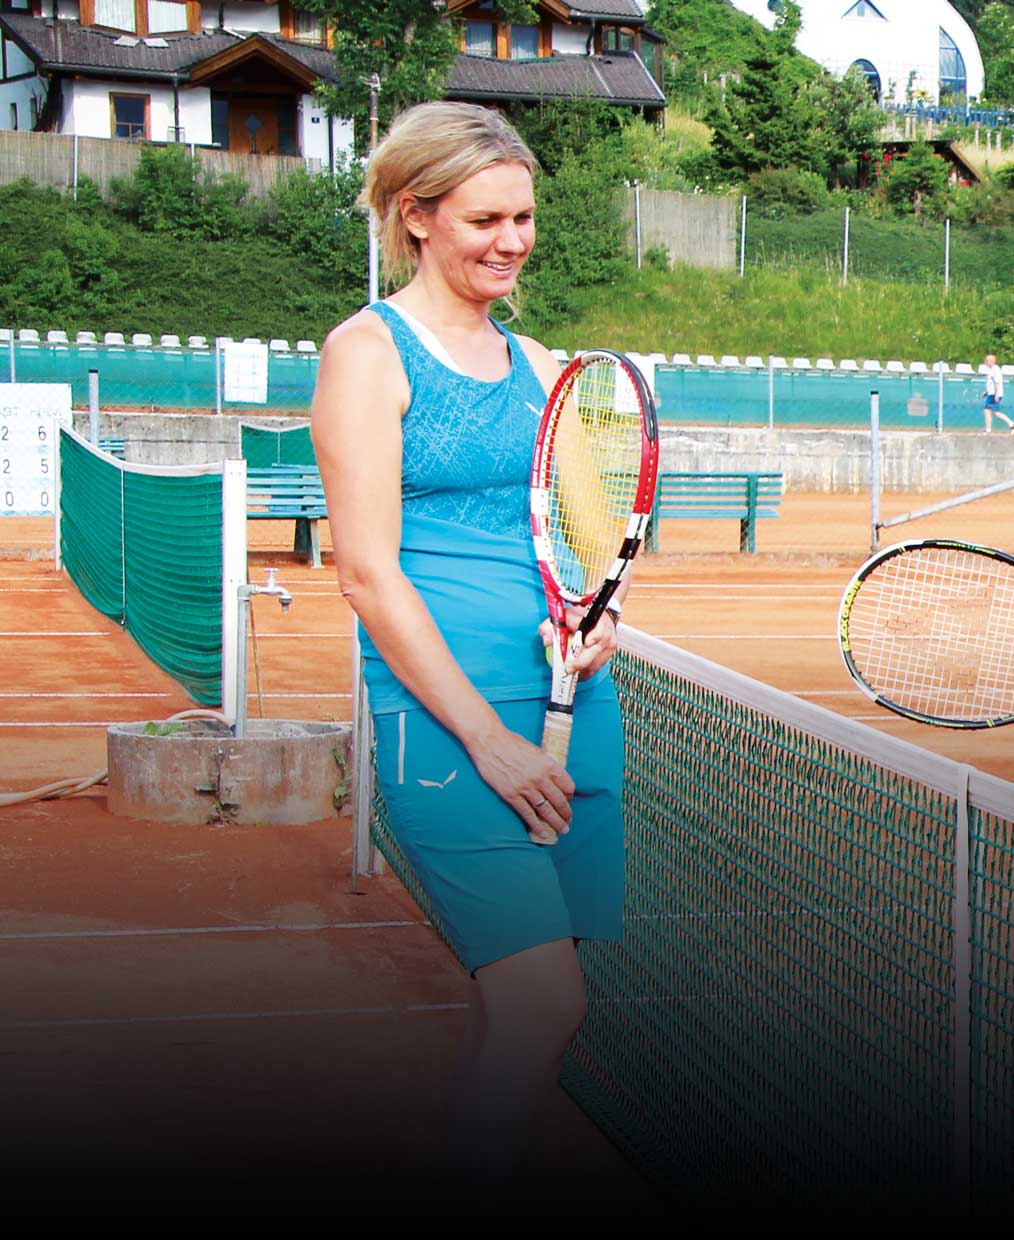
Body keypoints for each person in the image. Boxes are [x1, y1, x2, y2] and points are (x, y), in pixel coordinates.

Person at [309, 102, 626, 1183]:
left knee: (523, 996)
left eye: (523, 217)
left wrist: (599, 613)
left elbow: (587, 541)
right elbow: (367, 573)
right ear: (416, 215)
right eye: (485, 219)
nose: (511, 241)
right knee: (543, 1000)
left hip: (572, 706)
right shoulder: (366, 353)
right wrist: (490, 740)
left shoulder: (539, 362)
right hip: (450, 724)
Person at [979, 352, 1014, 431]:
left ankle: (1011, 424)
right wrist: (986, 392)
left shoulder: (995, 369)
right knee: (990, 411)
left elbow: (997, 383)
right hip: (992, 394)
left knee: (991, 411)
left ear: (991, 361)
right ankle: (1010, 425)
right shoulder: (992, 370)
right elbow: (991, 384)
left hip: (994, 394)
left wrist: (996, 395)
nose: (985, 362)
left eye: (987, 360)